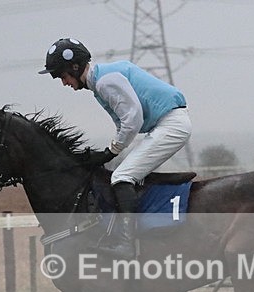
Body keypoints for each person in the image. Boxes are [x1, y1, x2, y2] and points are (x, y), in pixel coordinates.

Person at [39, 37, 192, 259]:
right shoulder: (101, 81)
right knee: (126, 174)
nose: (64, 83)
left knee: (122, 176)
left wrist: (110, 151)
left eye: (63, 76)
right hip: (166, 123)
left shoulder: (105, 82)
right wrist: (108, 152)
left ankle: (126, 245)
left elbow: (133, 120)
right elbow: (126, 123)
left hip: (171, 125)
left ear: (75, 67)